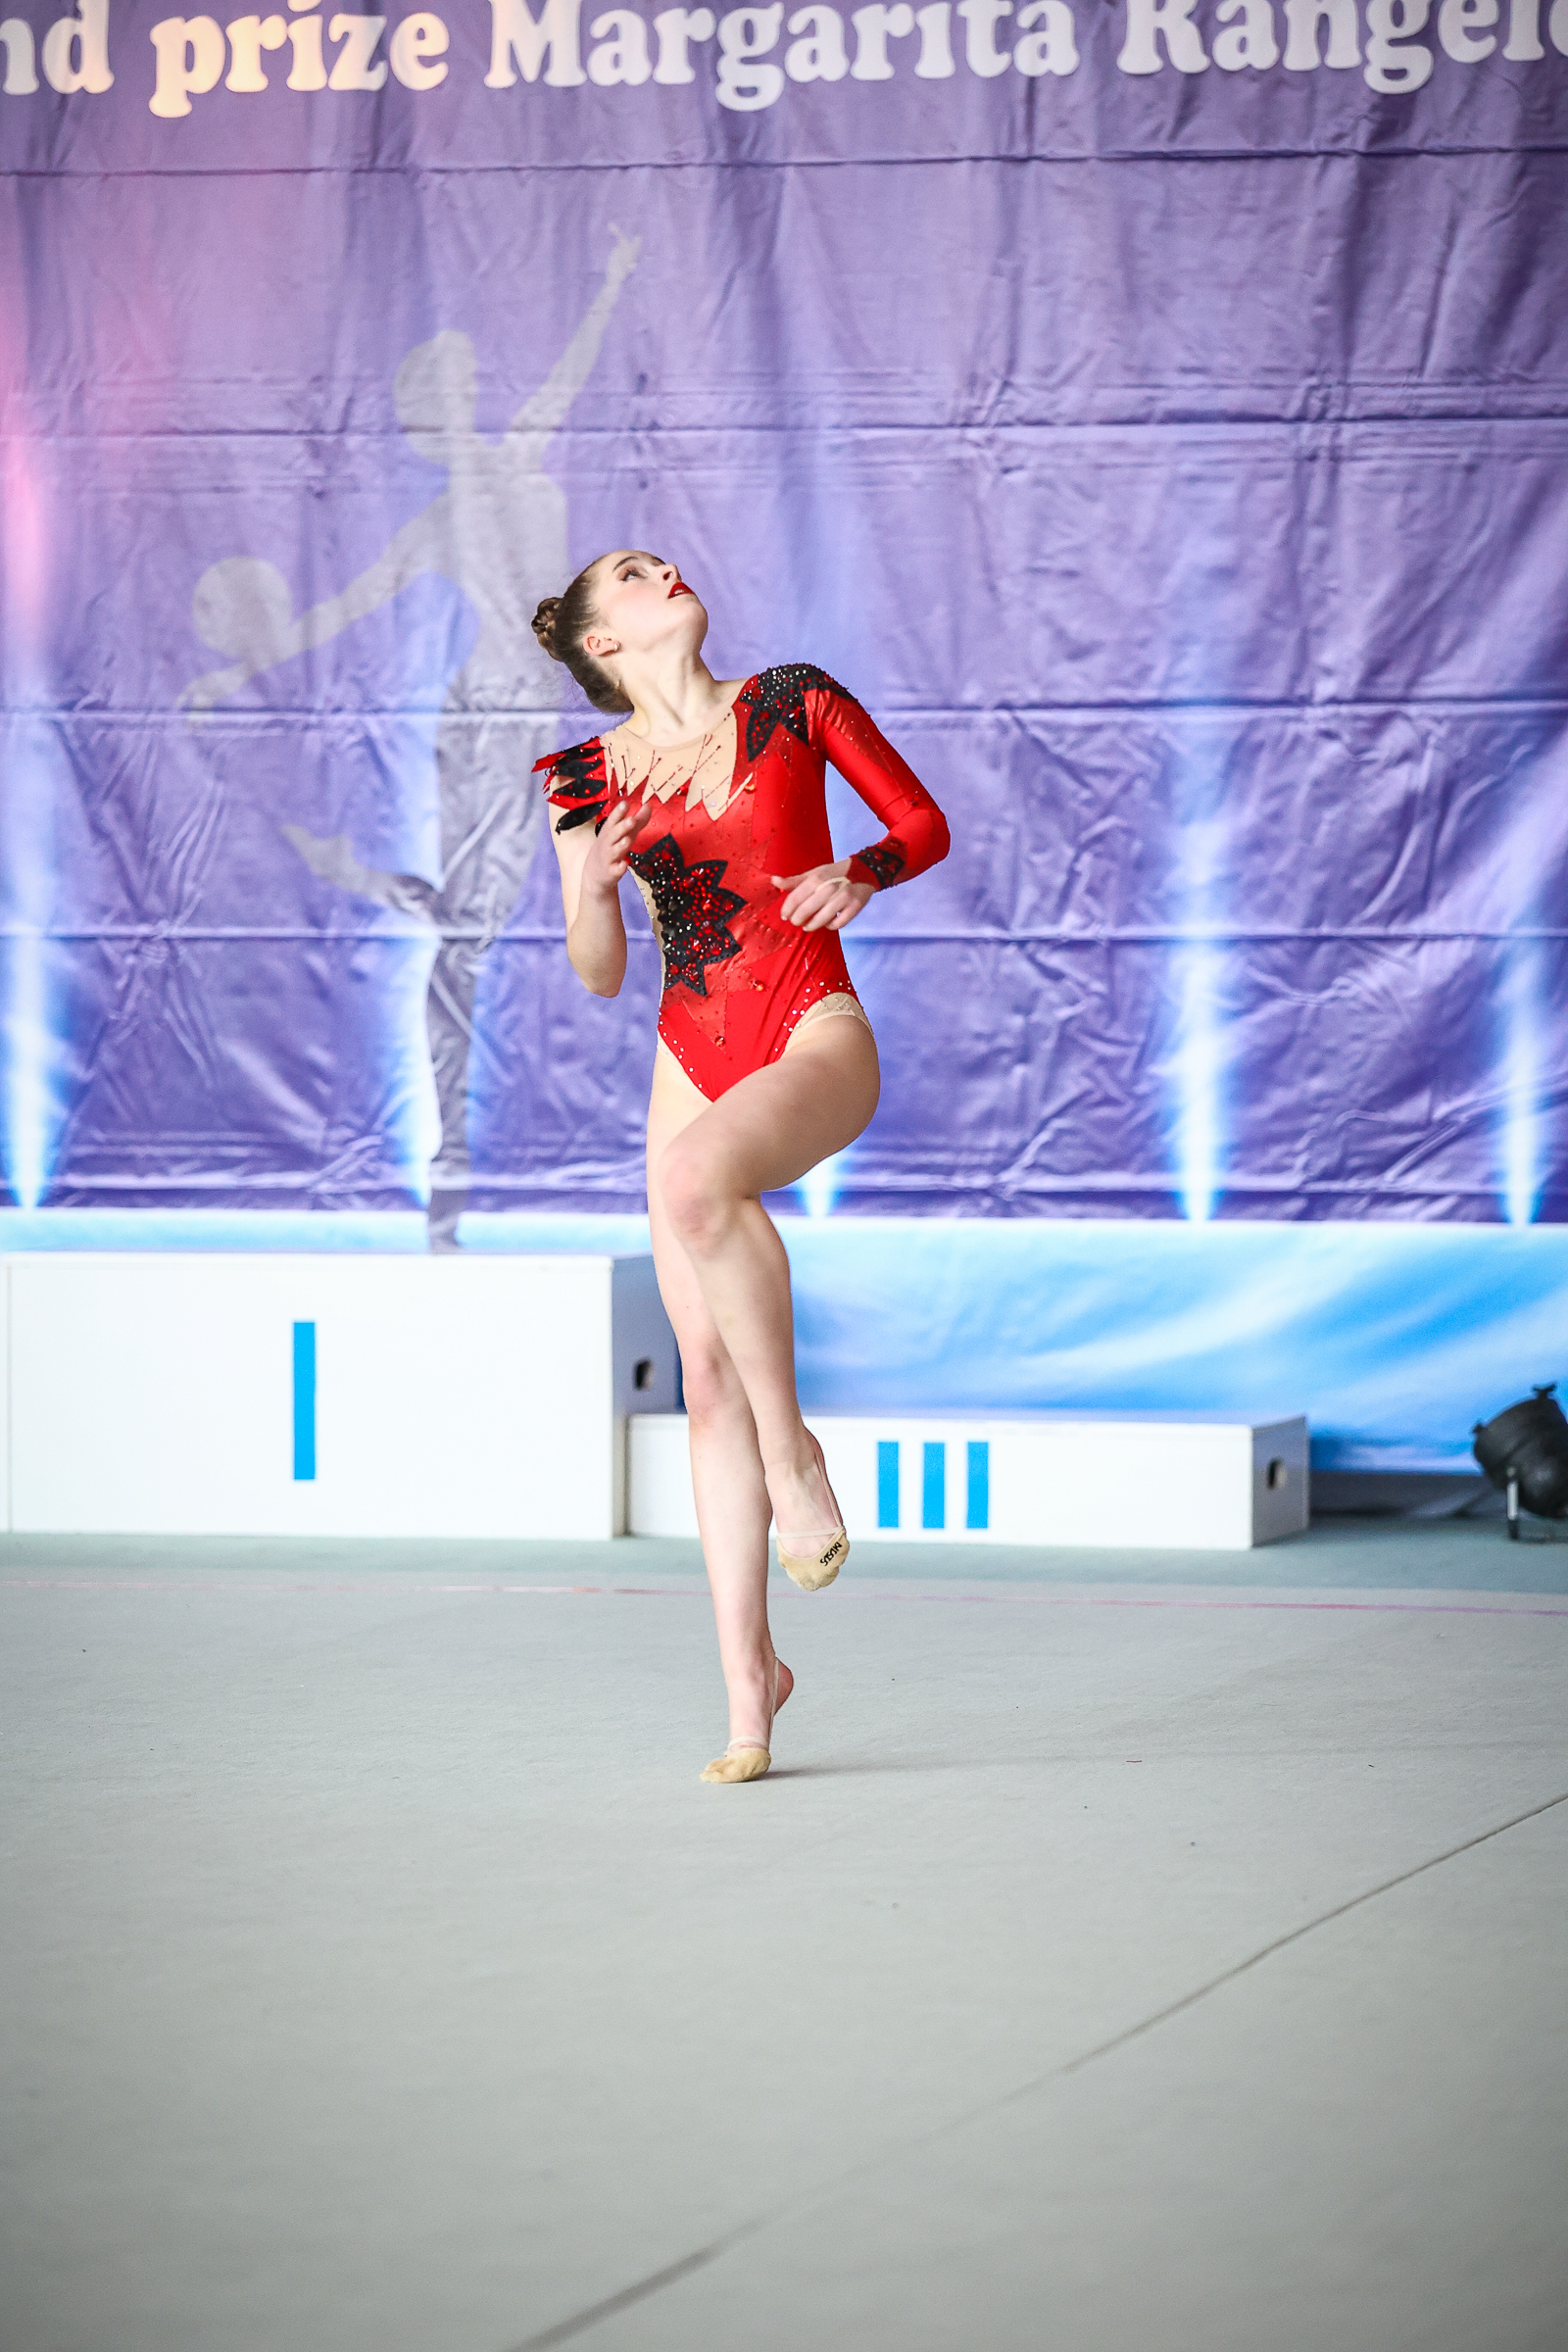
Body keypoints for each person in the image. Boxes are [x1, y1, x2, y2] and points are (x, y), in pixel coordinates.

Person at [532, 552, 950, 1784]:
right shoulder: (582, 778)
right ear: (602, 643)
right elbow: (599, 971)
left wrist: (858, 871)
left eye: (659, 560)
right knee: (702, 1373)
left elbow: (919, 823)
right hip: (690, 1051)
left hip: (814, 1028)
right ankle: (748, 1693)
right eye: (632, 574)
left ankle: (794, 1453)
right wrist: (597, 888)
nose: (664, 570)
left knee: (692, 1183)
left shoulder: (790, 699)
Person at [182, 228, 640, 1248]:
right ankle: (451, 1173)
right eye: (448, 395)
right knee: (466, 942)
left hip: (529, 728)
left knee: (550, 923)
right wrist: (241, 673)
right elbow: (345, 605)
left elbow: (562, 387)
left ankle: (497, 1167)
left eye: (467, 387)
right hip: (479, 731)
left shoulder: (516, 468)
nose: (466, 403)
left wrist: (611, 286)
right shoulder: (441, 520)